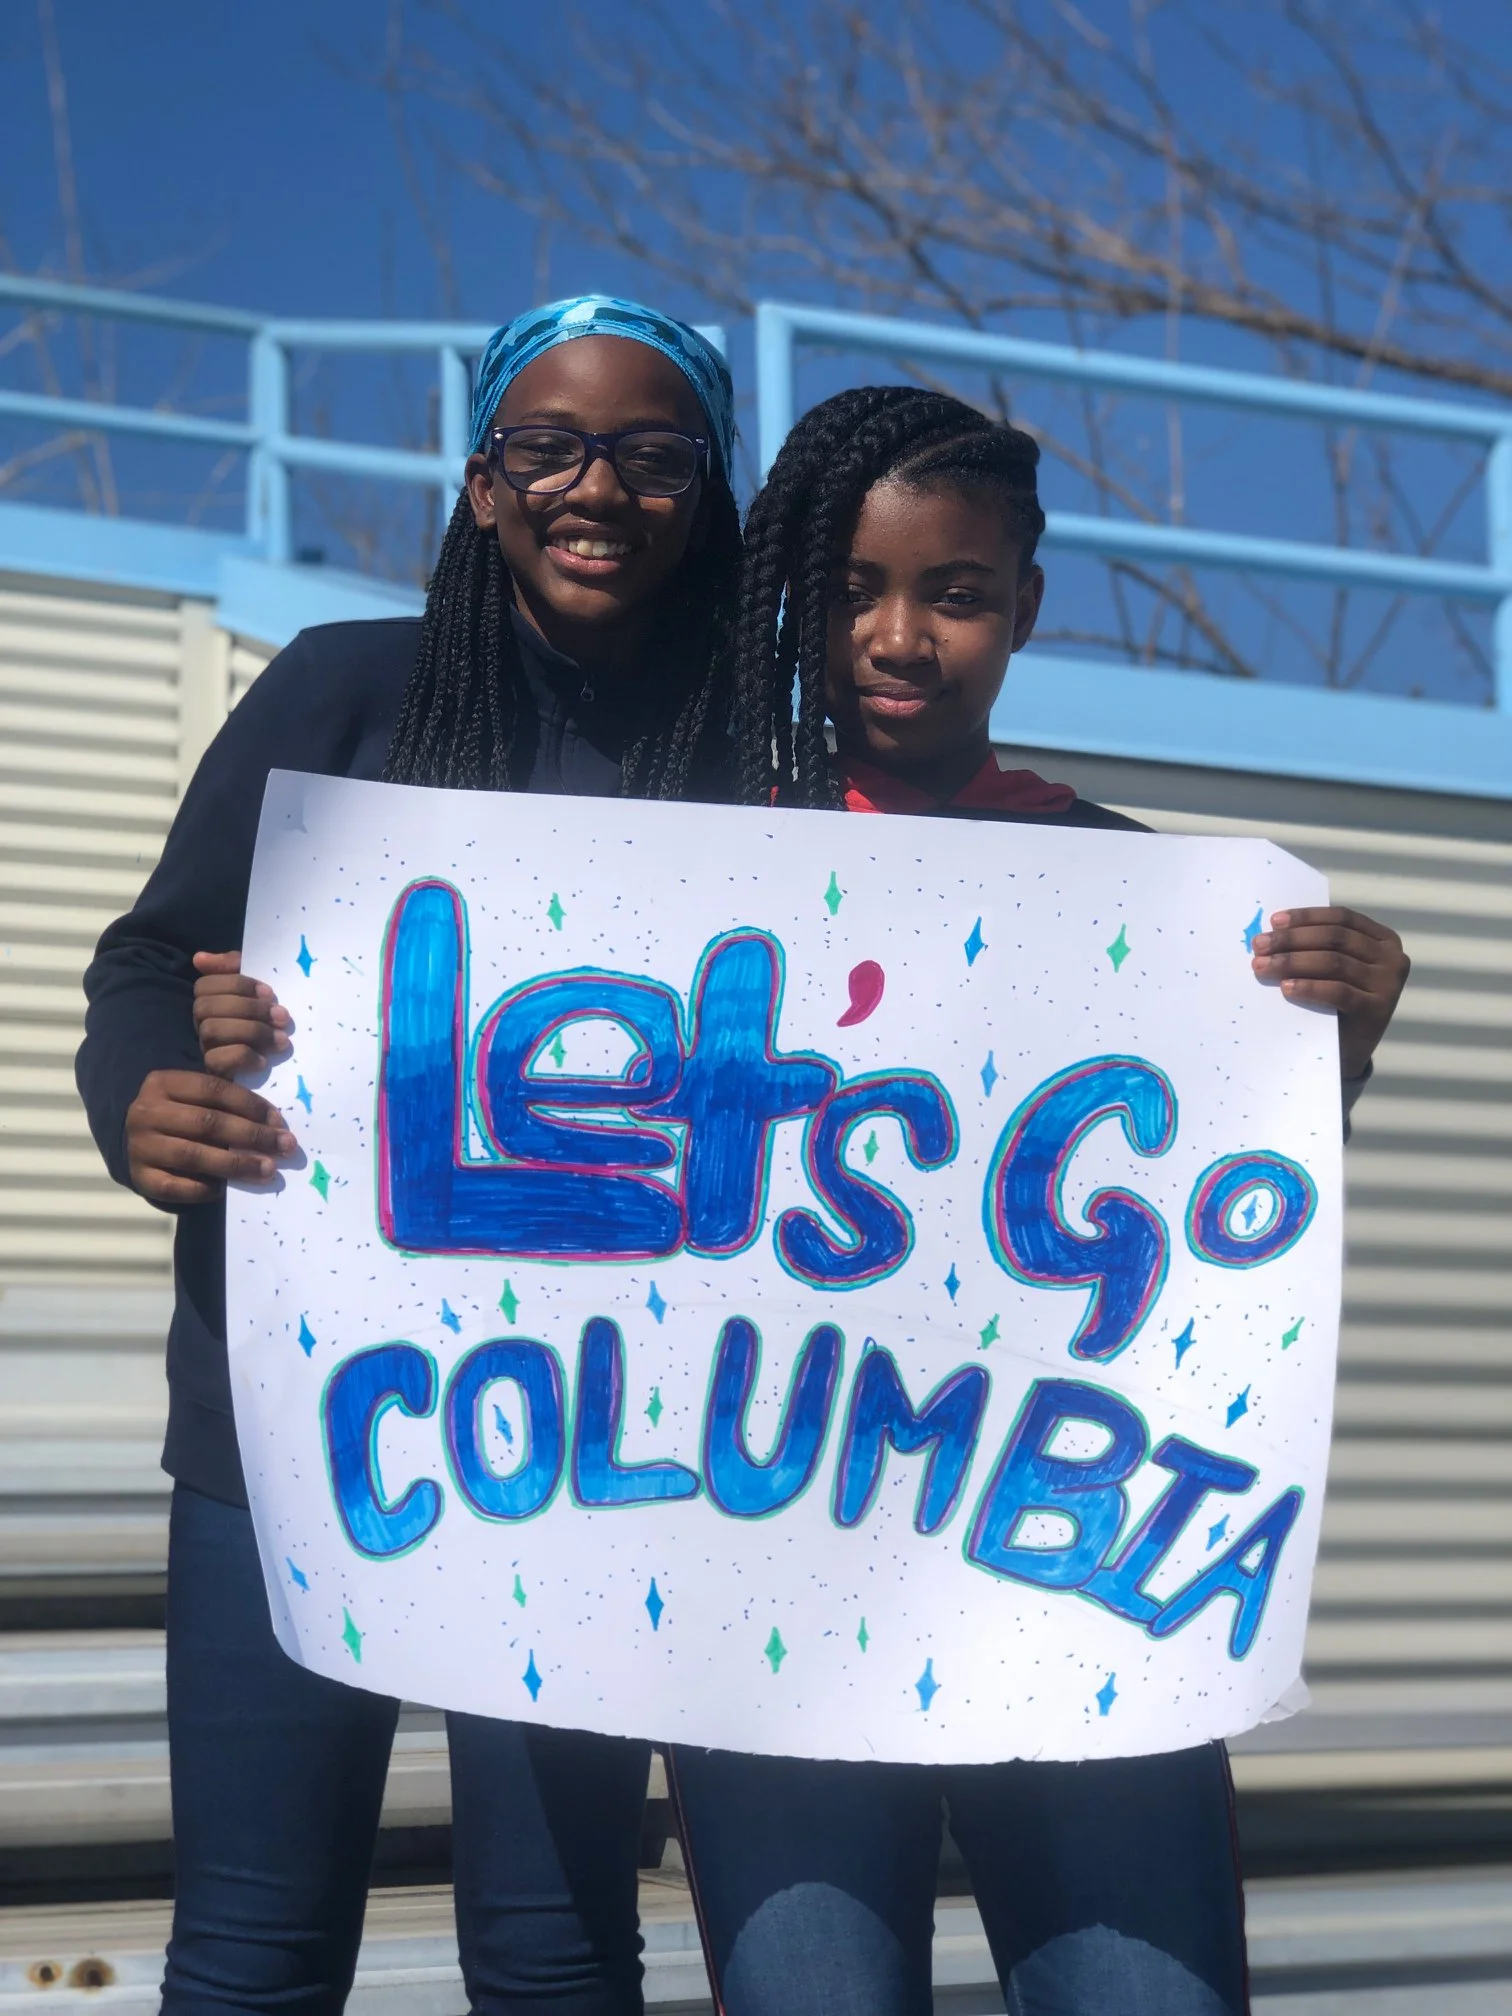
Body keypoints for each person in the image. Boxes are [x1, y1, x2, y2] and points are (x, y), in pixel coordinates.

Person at [667, 385, 1411, 2016]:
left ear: (1026, 611)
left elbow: (1235, 1224)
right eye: (854, 587)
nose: (900, 635)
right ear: (792, 592)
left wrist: (1334, 1041)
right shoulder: (671, 881)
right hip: (775, 1607)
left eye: (955, 593)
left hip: (1075, 1588)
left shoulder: (1152, 900)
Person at [75, 294, 742, 2016]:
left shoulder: (763, 750)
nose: (598, 482)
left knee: (555, 1947)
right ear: (480, 485)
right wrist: (144, 1096)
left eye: (654, 451)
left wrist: (1256, 955)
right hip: (286, 1424)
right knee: (254, 1952)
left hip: (597, 1433)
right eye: (549, 443)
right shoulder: (344, 689)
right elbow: (151, 960)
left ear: (708, 488)